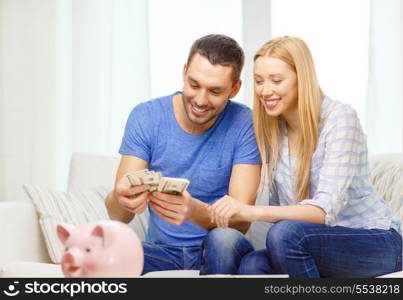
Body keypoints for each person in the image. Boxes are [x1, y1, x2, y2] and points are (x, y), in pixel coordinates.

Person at [209, 36, 402, 277]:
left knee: (284, 234)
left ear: (302, 79)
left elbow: (323, 212)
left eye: (276, 80)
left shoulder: (340, 119)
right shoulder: (273, 130)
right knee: (251, 265)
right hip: (314, 243)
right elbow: (286, 215)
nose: (265, 90)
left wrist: (249, 210)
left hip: (376, 242)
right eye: (259, 81)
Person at [105, 34, 261, 275]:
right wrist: (120, 197)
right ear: (184, 72)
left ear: (235, 88)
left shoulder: (245, 123)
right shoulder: (147, 116)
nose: (200, 100)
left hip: (217, 251)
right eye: (194, 84)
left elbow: (241, 222)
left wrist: (194, 211)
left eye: (215, 91)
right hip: (162, 252)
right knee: (111, 250)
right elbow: (119, 215)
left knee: (223, 240)